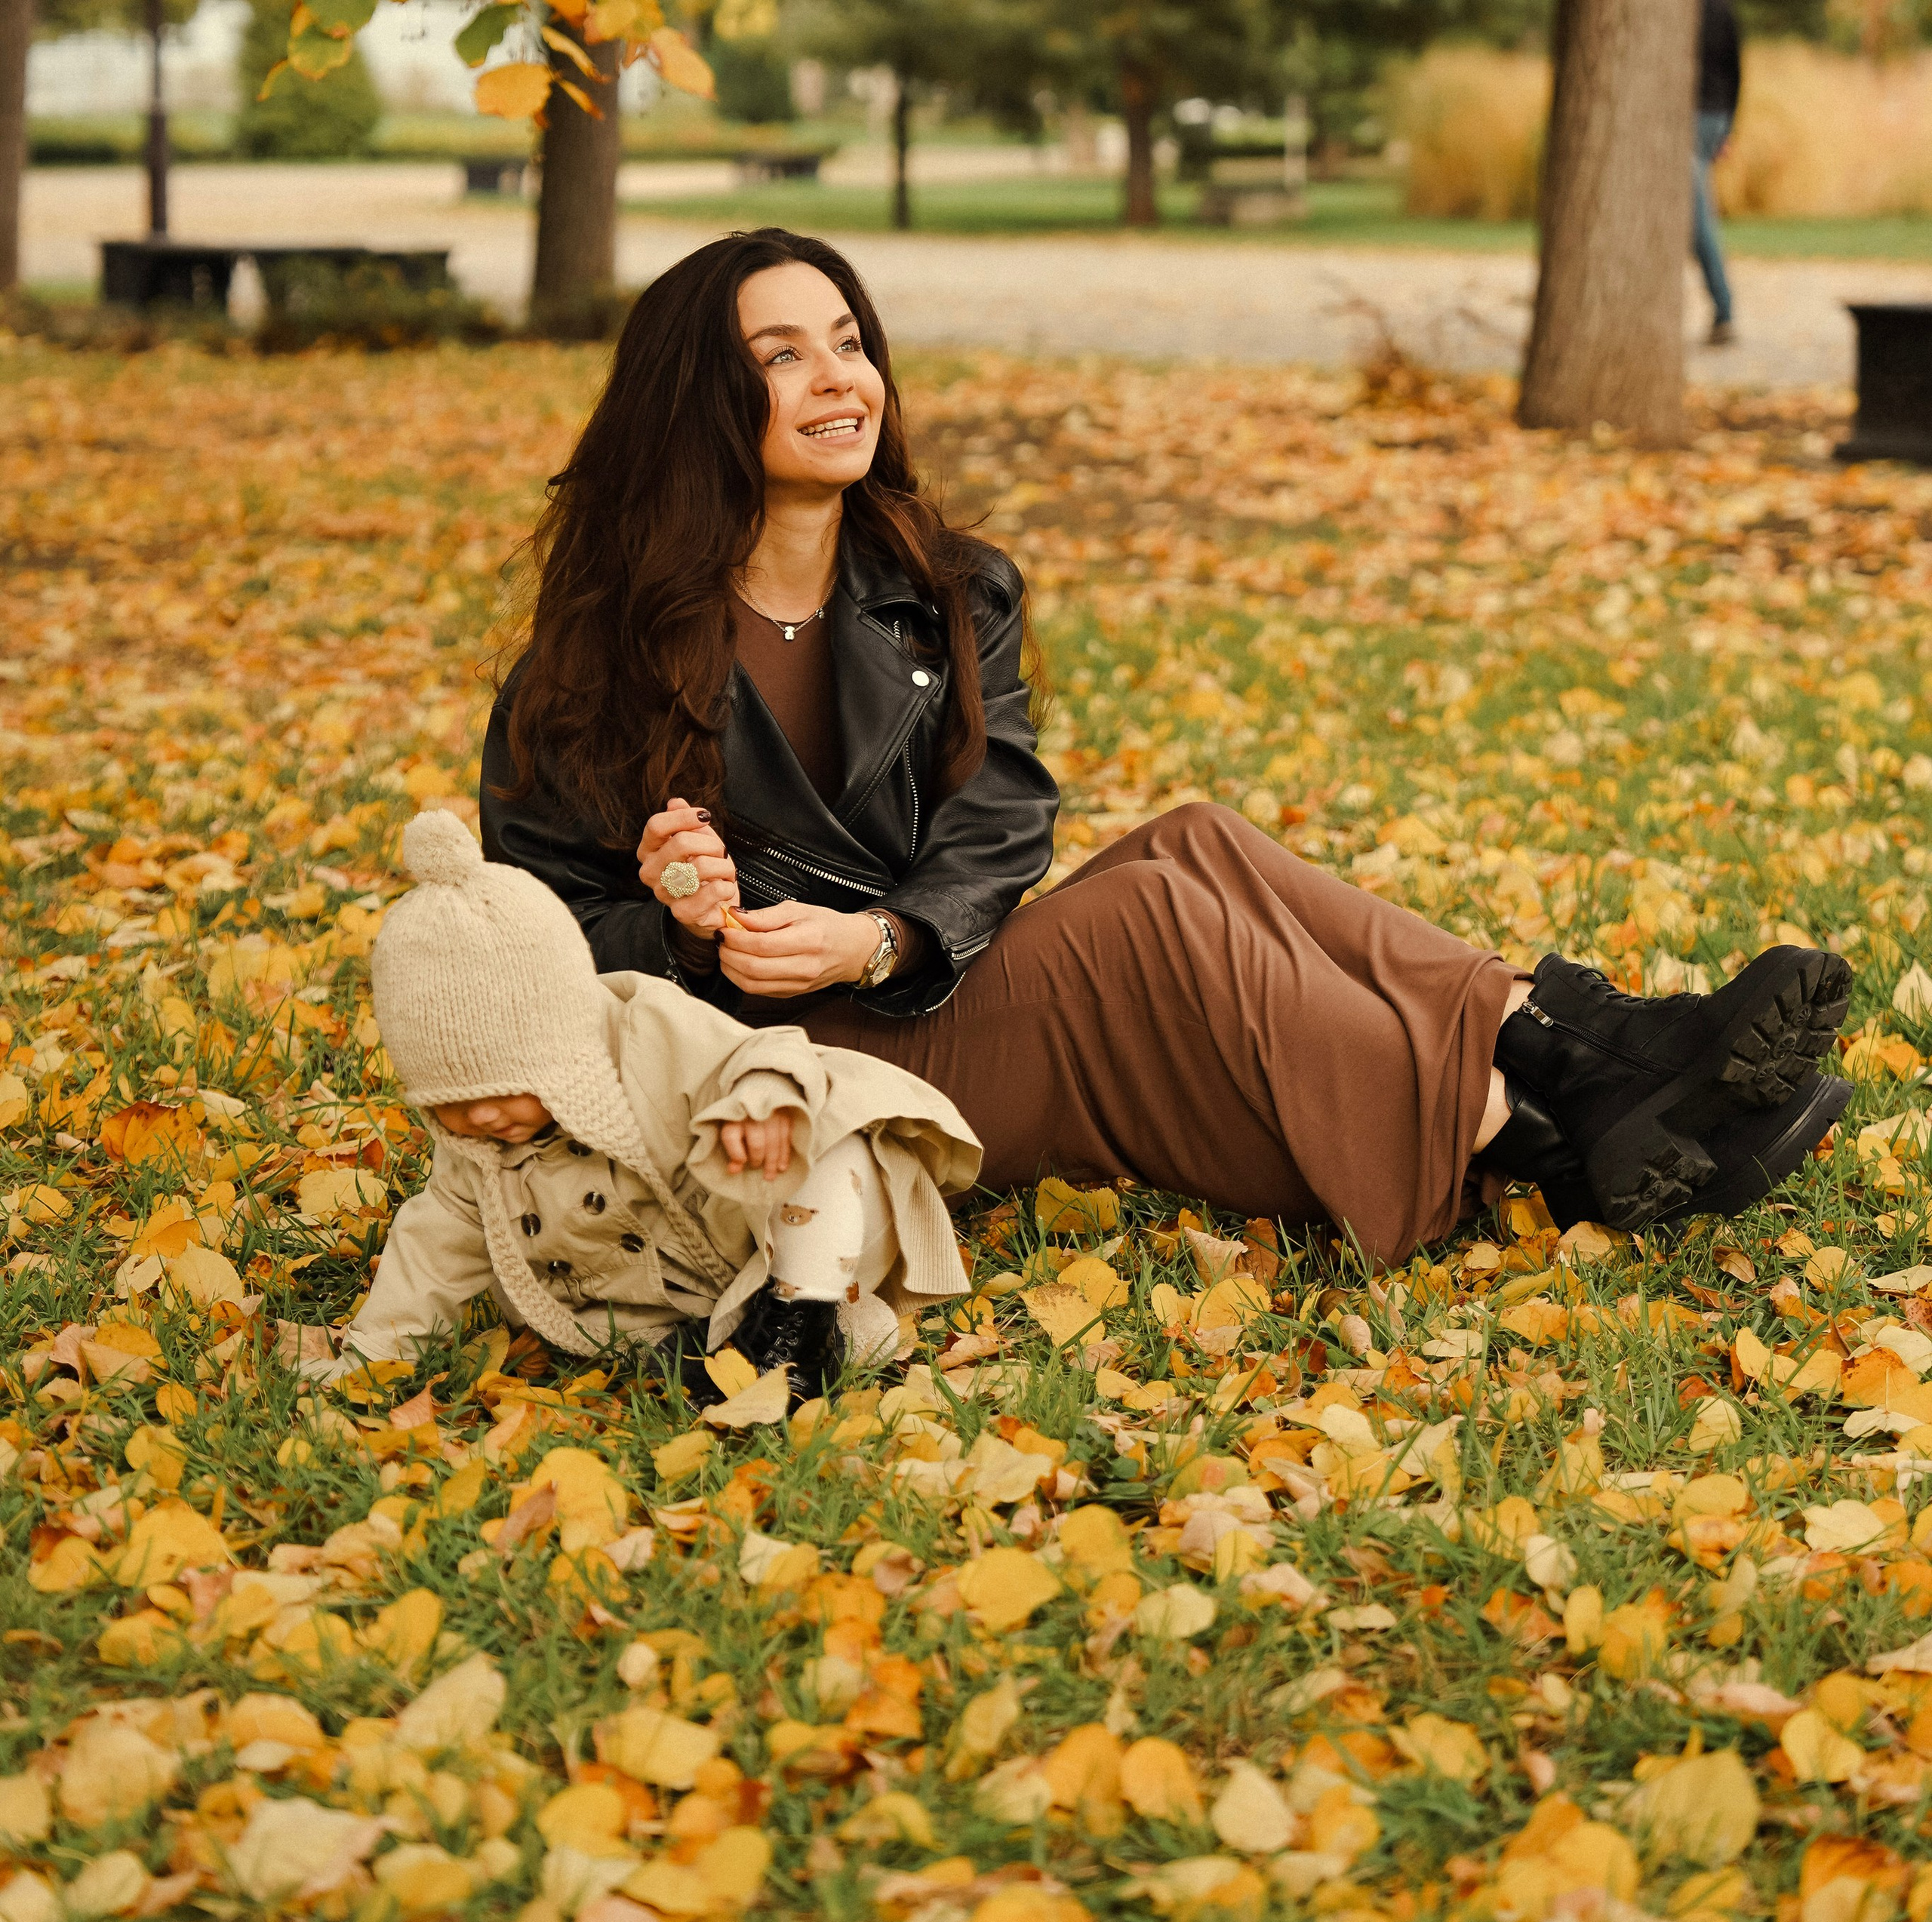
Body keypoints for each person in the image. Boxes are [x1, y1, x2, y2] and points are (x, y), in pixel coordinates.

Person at [481, 228, 1852, 1265]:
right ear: (699, 401)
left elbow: (1000, 818)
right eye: (781, 355)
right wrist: (679, 923)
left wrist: (886, 941)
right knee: (1145, 922)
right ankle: (1529, 1120)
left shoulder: (945, 588)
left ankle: (1575, 1062)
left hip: (903, 993)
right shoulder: (591, 664)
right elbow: (527, 936)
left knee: (1196, 841)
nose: (840, 378)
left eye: (849, 340)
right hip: (775, 1075)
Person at [325, 807, 980, 1393]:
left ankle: (799, 1324)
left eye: (506, 1089)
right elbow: (430, 1254)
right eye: (452, 1103)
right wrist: (376, 1355)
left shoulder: (645, 1029)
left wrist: (764, 1101)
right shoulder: (476, 1156)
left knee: (836, 1142)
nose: (481, 1118)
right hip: (651, 1307)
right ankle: (737, 1352)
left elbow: (760, 1051)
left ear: (562, 1040)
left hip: (755, 1236)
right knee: (570, 1317)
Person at [1694, 0, 1741, 345]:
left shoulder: (1676, 2)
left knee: (1695, 217)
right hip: (1716, 117)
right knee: (1692, 210)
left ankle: (1724, 310)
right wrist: (1728, 127)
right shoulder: (1719, 2)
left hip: (1693, 117)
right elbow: (1737, 69)